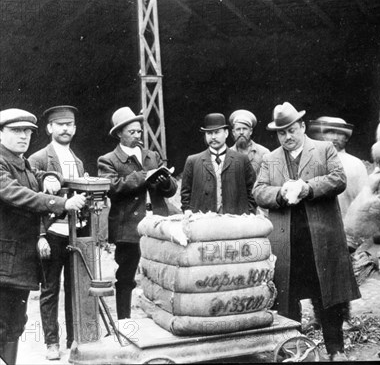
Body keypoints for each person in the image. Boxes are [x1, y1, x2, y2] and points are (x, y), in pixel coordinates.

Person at [253, 102, 360, 362]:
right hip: (286, 241)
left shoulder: (324, 150)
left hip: (321, 238)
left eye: (291, 130)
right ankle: (294, 350)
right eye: (281, 133)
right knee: (287, 297)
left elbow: (338, 179)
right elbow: (258, 191)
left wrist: (307, 188)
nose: (287, 137)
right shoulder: (270, 159)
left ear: (302, 127)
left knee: (328, 296)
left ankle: (335, 349)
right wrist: (279, 193)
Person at [0, 108, 86, 365]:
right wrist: (59, 203)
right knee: (4, 323)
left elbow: (35, 176)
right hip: (5, 262)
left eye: (27, 131)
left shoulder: (21, 162)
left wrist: (48, 175)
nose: (24, 136)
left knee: (15, 324)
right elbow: (14, 193)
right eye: (16, 131)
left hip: (18, 263)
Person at [97, 107, 177, 320]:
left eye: (139, 131)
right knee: (126, 276)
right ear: (119, 134)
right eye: (131, 132)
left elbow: (172, 189)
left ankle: (160, 318)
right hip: (129, 227)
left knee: (160, 273)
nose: (137, 136)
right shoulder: (108, 160)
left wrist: (165, 182)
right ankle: (124, 322)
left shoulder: (151, 156)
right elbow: (111, 187)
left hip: (157, 221)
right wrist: (144, 176)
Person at [28, 106, 85, 360]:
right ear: (49, 128)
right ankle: (52, 342)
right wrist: (40, 235)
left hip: (76, 234)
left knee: (75, 288)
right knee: (50, 289)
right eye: (60, 124)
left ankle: (74, 339)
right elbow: (33, 201)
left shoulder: (78, 160)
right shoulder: (38, 159)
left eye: (70, 124)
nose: (65, 129)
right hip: (51, 233)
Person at [180, 113, 256, 215]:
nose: (213, 137)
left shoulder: (241, 160)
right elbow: (185, 194)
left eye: (217, 132)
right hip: (204, 222)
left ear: (226, 133)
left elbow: (253, 191)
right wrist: (188, 212)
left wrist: (248, 213)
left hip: (235, 223)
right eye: (209, 133)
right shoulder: (193, 161)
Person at [308, 116, 368, 220]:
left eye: (340, 133)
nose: (335, 137)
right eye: (330, 132)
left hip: (348, 226)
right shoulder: (309, 160)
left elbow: (364, 202)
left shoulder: (356, 164)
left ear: (346, 137)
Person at [229, 109, 270, 176]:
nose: (241, 132)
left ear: (251, 131)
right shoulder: (227, 155)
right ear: (233, 132)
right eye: (238, 129)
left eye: (244, 129)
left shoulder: (264, 153)